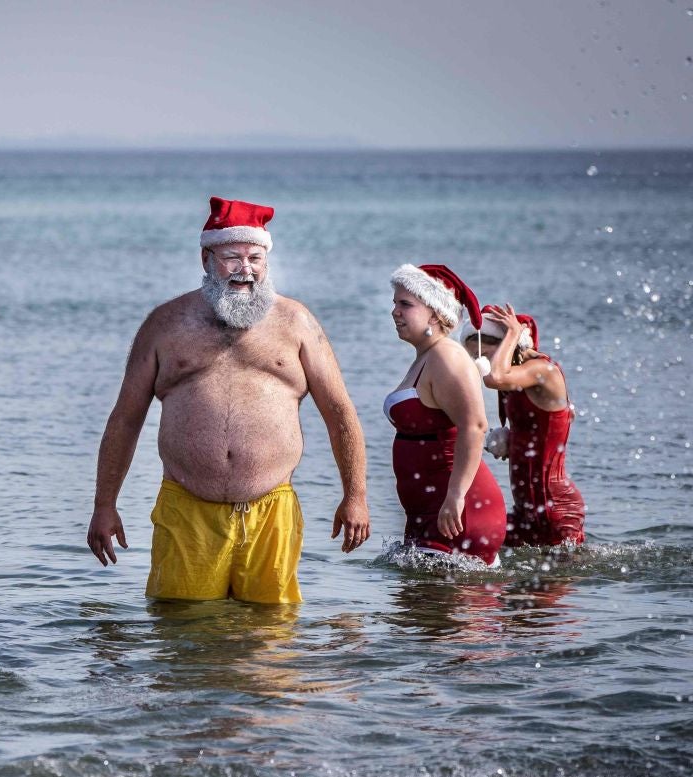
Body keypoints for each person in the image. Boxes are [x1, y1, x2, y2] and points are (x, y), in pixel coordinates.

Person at [87, 197, 370, 603]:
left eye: (255, 257)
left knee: (271, 638)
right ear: (206, 258)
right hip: (186, 511)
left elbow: (340, 412)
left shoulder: (297, 322)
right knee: (181, 631)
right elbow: (125, 420)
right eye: (231, 257)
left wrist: (355, 496)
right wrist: (104, 505)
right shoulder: (165, 324)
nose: (246, 269)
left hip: (272, 510)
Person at [384, 264, 506, 564]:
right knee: (418, 609)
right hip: (432, 510)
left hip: (456, 509)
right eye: (394, 303)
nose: (394, 311)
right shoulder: (426, 357)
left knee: (435, 608)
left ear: (435, 314)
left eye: (405, 304)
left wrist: (455, 496)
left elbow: (475, 426)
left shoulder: (445, 356)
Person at [461, 304, 585, 546]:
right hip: (525, 509)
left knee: (552, 582)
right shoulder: (518, 377)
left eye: (485, 356)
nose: (481, 364)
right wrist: (510, 439)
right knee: (478, 550)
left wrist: (512, 333)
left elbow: (494, 378)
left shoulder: (543, 370)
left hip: (556, 508)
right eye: (475, 357)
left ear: (509, 345)